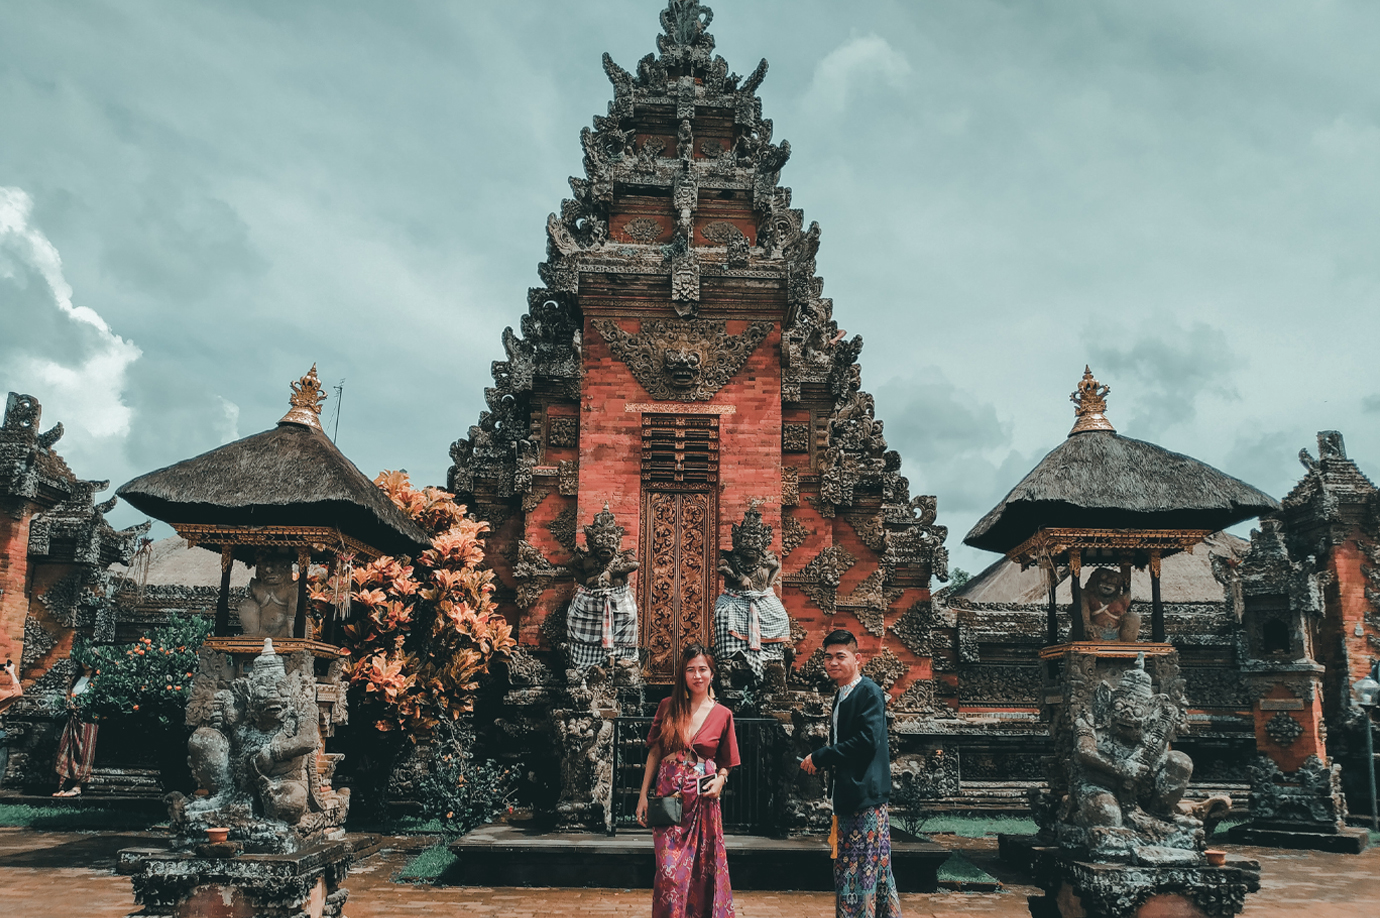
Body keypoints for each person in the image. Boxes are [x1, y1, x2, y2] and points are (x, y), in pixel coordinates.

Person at [801, 630, 901, 918]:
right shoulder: (842, 695)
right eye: (828, 657)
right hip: (851, 794)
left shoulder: (868, 692)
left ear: (858, 658)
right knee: (873, 870)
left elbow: (866, 741)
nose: (833, 662)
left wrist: (821, 756)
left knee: (857, 871)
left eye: (840, 656)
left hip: (864, 796)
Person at [636, 643, 740, 918]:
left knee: (701, 873)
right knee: (668, 873)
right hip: (668, 796)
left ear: (711, 674)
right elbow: (655, 751)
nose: (697, 675)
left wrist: (721, 780)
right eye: (690, 670)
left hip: (702, 797)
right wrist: (642, 796)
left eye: (702, 669)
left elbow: (727, 762)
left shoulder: (722, 715)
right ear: (683, 674)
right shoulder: (668, 707)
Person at [54, 664, 98, 797]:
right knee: (67, 747)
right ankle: (63, 785)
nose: (86, 663)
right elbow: (69, 695)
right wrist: (69, 704)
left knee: (83, 751)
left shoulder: (97, 680)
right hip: (73, 718)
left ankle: (77, 786)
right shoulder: (76, 678)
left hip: (88, 720)